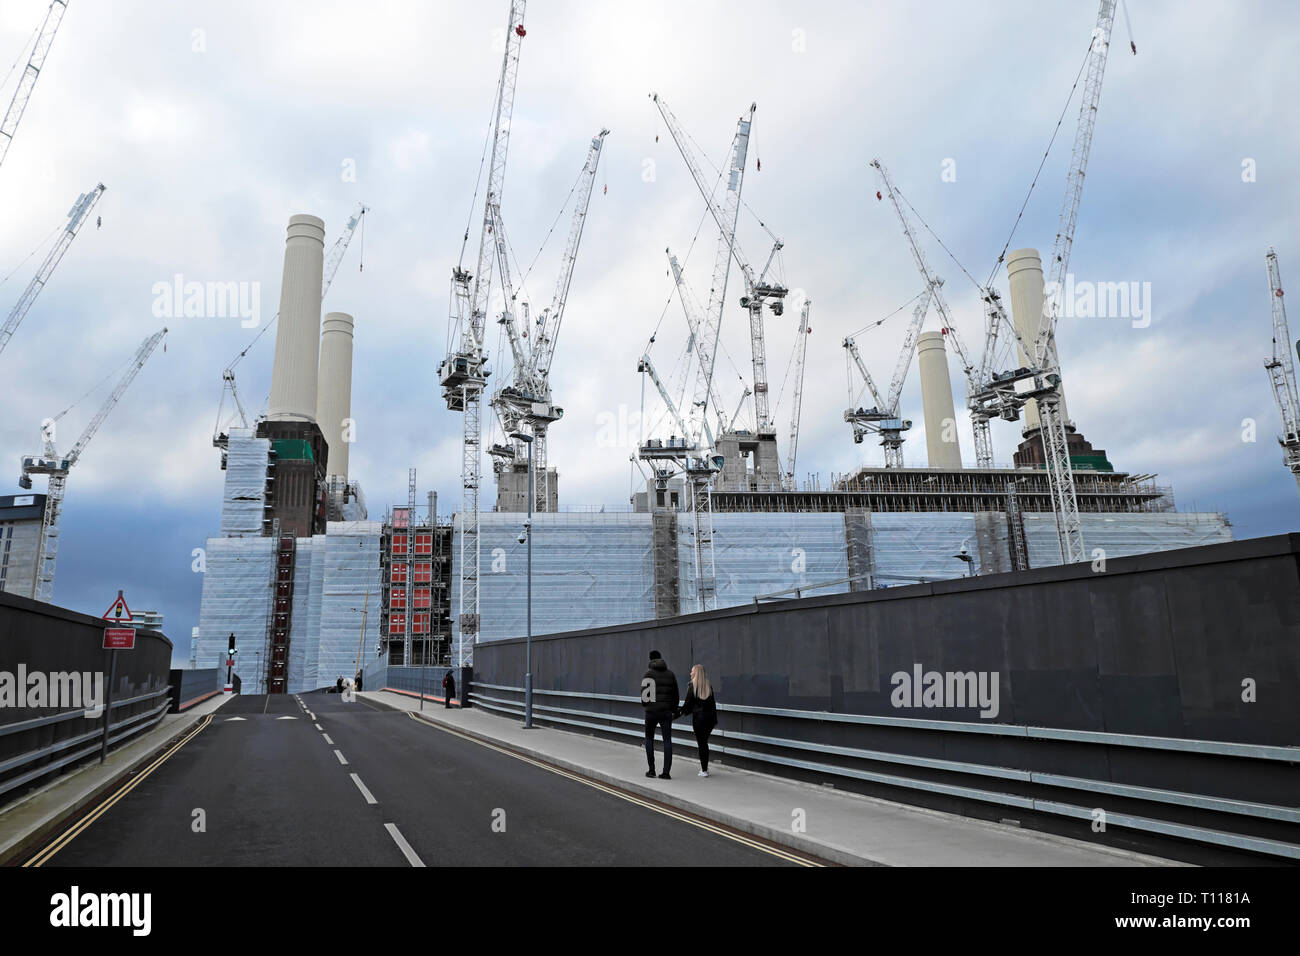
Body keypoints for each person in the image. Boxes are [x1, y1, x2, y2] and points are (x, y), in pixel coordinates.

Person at [640, 650, 679, 780]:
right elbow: (676, 695)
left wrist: (648, 706)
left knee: (649, 739)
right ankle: (666, 773)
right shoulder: (670, 674)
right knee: (667, 740)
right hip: (666, 712)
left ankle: (651, 770)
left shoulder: (648, 674)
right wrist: (672, 709)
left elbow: (645, 697)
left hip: (651, 712)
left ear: (650, 660)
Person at [679, 664, 718, 777]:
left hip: (699, 720)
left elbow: (687, 705)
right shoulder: (708, 686)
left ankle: (704, 770)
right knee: (704, 743)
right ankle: (704, 768)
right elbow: (712, 705)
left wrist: (678, 713)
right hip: (710, 720)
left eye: (692, 671)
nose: (690, 673)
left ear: (696, 673)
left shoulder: (692, 686)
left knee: (702, 744)